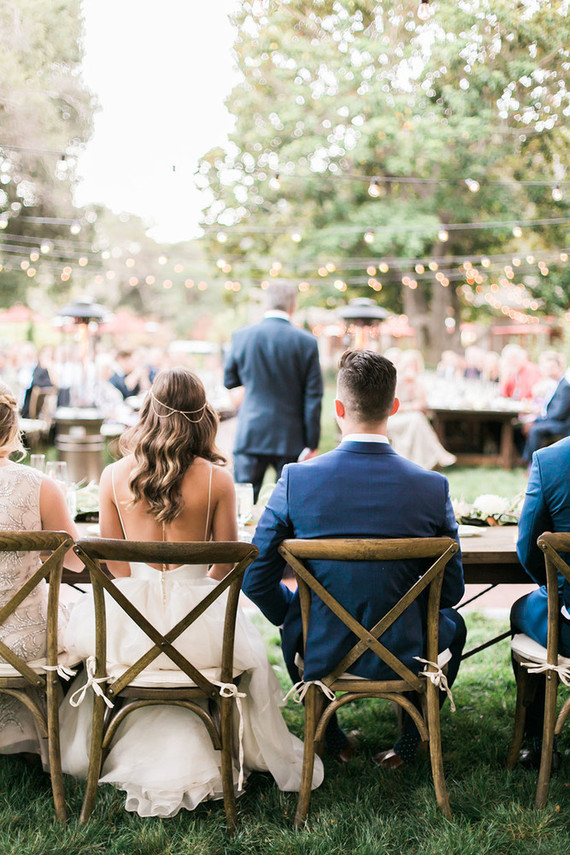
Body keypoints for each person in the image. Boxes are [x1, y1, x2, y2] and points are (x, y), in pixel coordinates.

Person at [59, 367, 323, 818]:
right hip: (200, 633)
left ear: (149, 410)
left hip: (131, 634)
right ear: (204, 415)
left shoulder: (113, 476)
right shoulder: (218, 480)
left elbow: (116, 568)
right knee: (234, 647)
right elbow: (226, 565)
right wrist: (191, 592)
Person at [243, 350, 466, 768]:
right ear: (394, 408)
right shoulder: (431, 486)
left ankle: (330, 737)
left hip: (322, 644)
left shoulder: (296, 479)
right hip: (410, 647)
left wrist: (299, 612)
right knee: (455, 624)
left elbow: (255, 578)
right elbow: (451, 590)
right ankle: (410, 741)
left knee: (294, 624)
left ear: (339, 409)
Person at [0, 383, 81, 760]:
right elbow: (76, 561)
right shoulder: (41, 486)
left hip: (19, 640)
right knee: (83, 618)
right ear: (12, 430)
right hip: (23, 641)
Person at [223, 281, 323, 501]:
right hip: (291, 437)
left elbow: (230, 381)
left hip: (251, 432)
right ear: (293, 306)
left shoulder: (242, 336)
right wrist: (312, 443)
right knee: (288, 504)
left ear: (266, 304)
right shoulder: (306, 342)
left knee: (243, 504)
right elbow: (313, 397)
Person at [511, 436, 570, 769]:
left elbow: (528, 546)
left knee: (520, 611)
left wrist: (555, 588)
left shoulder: (552, 460)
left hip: (568, 630)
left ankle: (538, 739)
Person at [386, 349, 456, 470]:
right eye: (410, 364)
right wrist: (411, 406)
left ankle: (419, 461)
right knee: (417, 418)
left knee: (417, 420)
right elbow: (392, 407)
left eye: (415, 365)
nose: (412, 367)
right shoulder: (396, 381)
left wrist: (414, 384)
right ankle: (437, 455)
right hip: (393, 419)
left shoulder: (417, 383)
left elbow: (422, 403)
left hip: (410, 419)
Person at [522, 351, 570, 463]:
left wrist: (541, 419)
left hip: (562, 425)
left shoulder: (565, 386)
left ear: (560, 367)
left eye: (552, 367)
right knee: (529, 425)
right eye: (548, 368)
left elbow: (560, 413)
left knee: (535, 430)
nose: (549, 370)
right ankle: (527, 460)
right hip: (554, 421)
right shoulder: (554, 384)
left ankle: (533, 463)